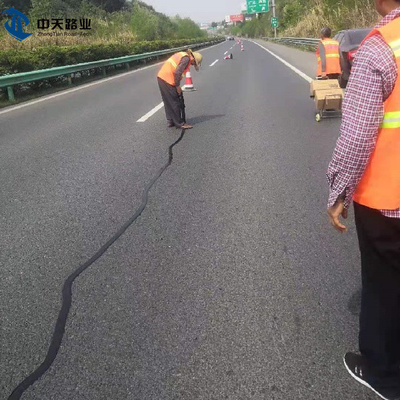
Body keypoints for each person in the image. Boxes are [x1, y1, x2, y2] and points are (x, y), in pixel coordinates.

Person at [326, 1, 400, 399]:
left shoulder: (379, 47)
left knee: (384, 284)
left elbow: (356, 138)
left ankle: (384, 374)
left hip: (389, 200)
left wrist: (339, 192)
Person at [157, 49, 202, 130]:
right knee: (174, 101)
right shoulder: (186, 59)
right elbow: (177, 72)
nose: (192, 65)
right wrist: (177, 86)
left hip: (161, 77)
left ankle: (171, 120)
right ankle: (179, 123)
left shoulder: (183, 55)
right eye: (194, 64)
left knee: (167, 100)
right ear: (194, 60)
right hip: (168, 79)